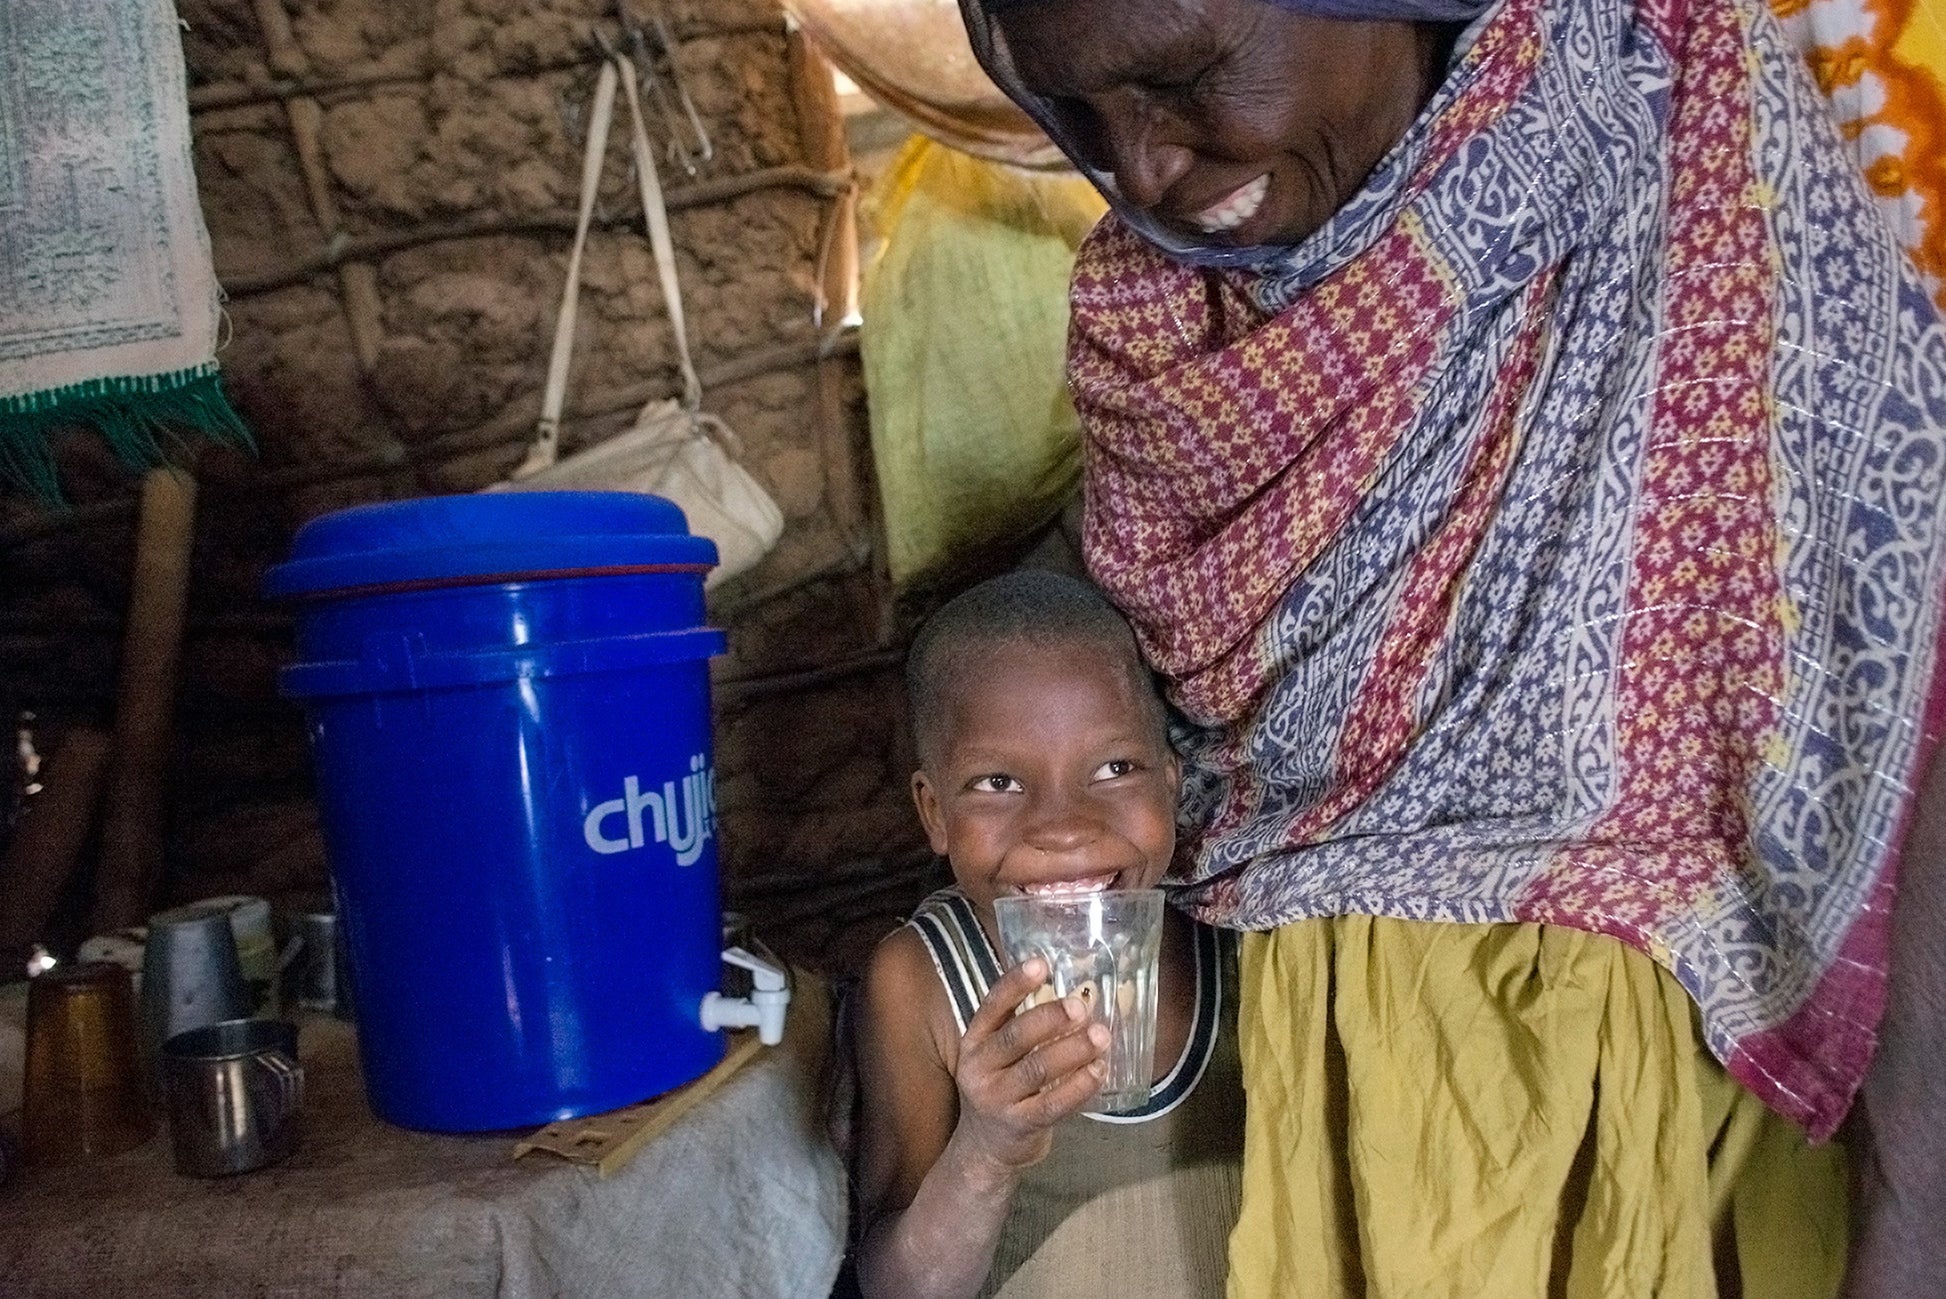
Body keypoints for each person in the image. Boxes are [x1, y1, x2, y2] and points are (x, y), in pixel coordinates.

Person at [952, 0, 1946, 1294]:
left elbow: (1902, 652)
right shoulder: (1153, 327)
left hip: (1679, 1110)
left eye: (1185, 76)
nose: (1139, 167)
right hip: (1346, 1098)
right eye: (1076, 114)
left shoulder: (1703, 146)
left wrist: (1915, 1194)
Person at [852, 569, 1244, 1298]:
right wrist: (987, 1148)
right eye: (999, 782)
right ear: (934, 812)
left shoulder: (1242, 935)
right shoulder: (921, 983)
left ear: (1172, 782)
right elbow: (896, 1287)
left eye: (1114, 767)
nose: (1062, 826)